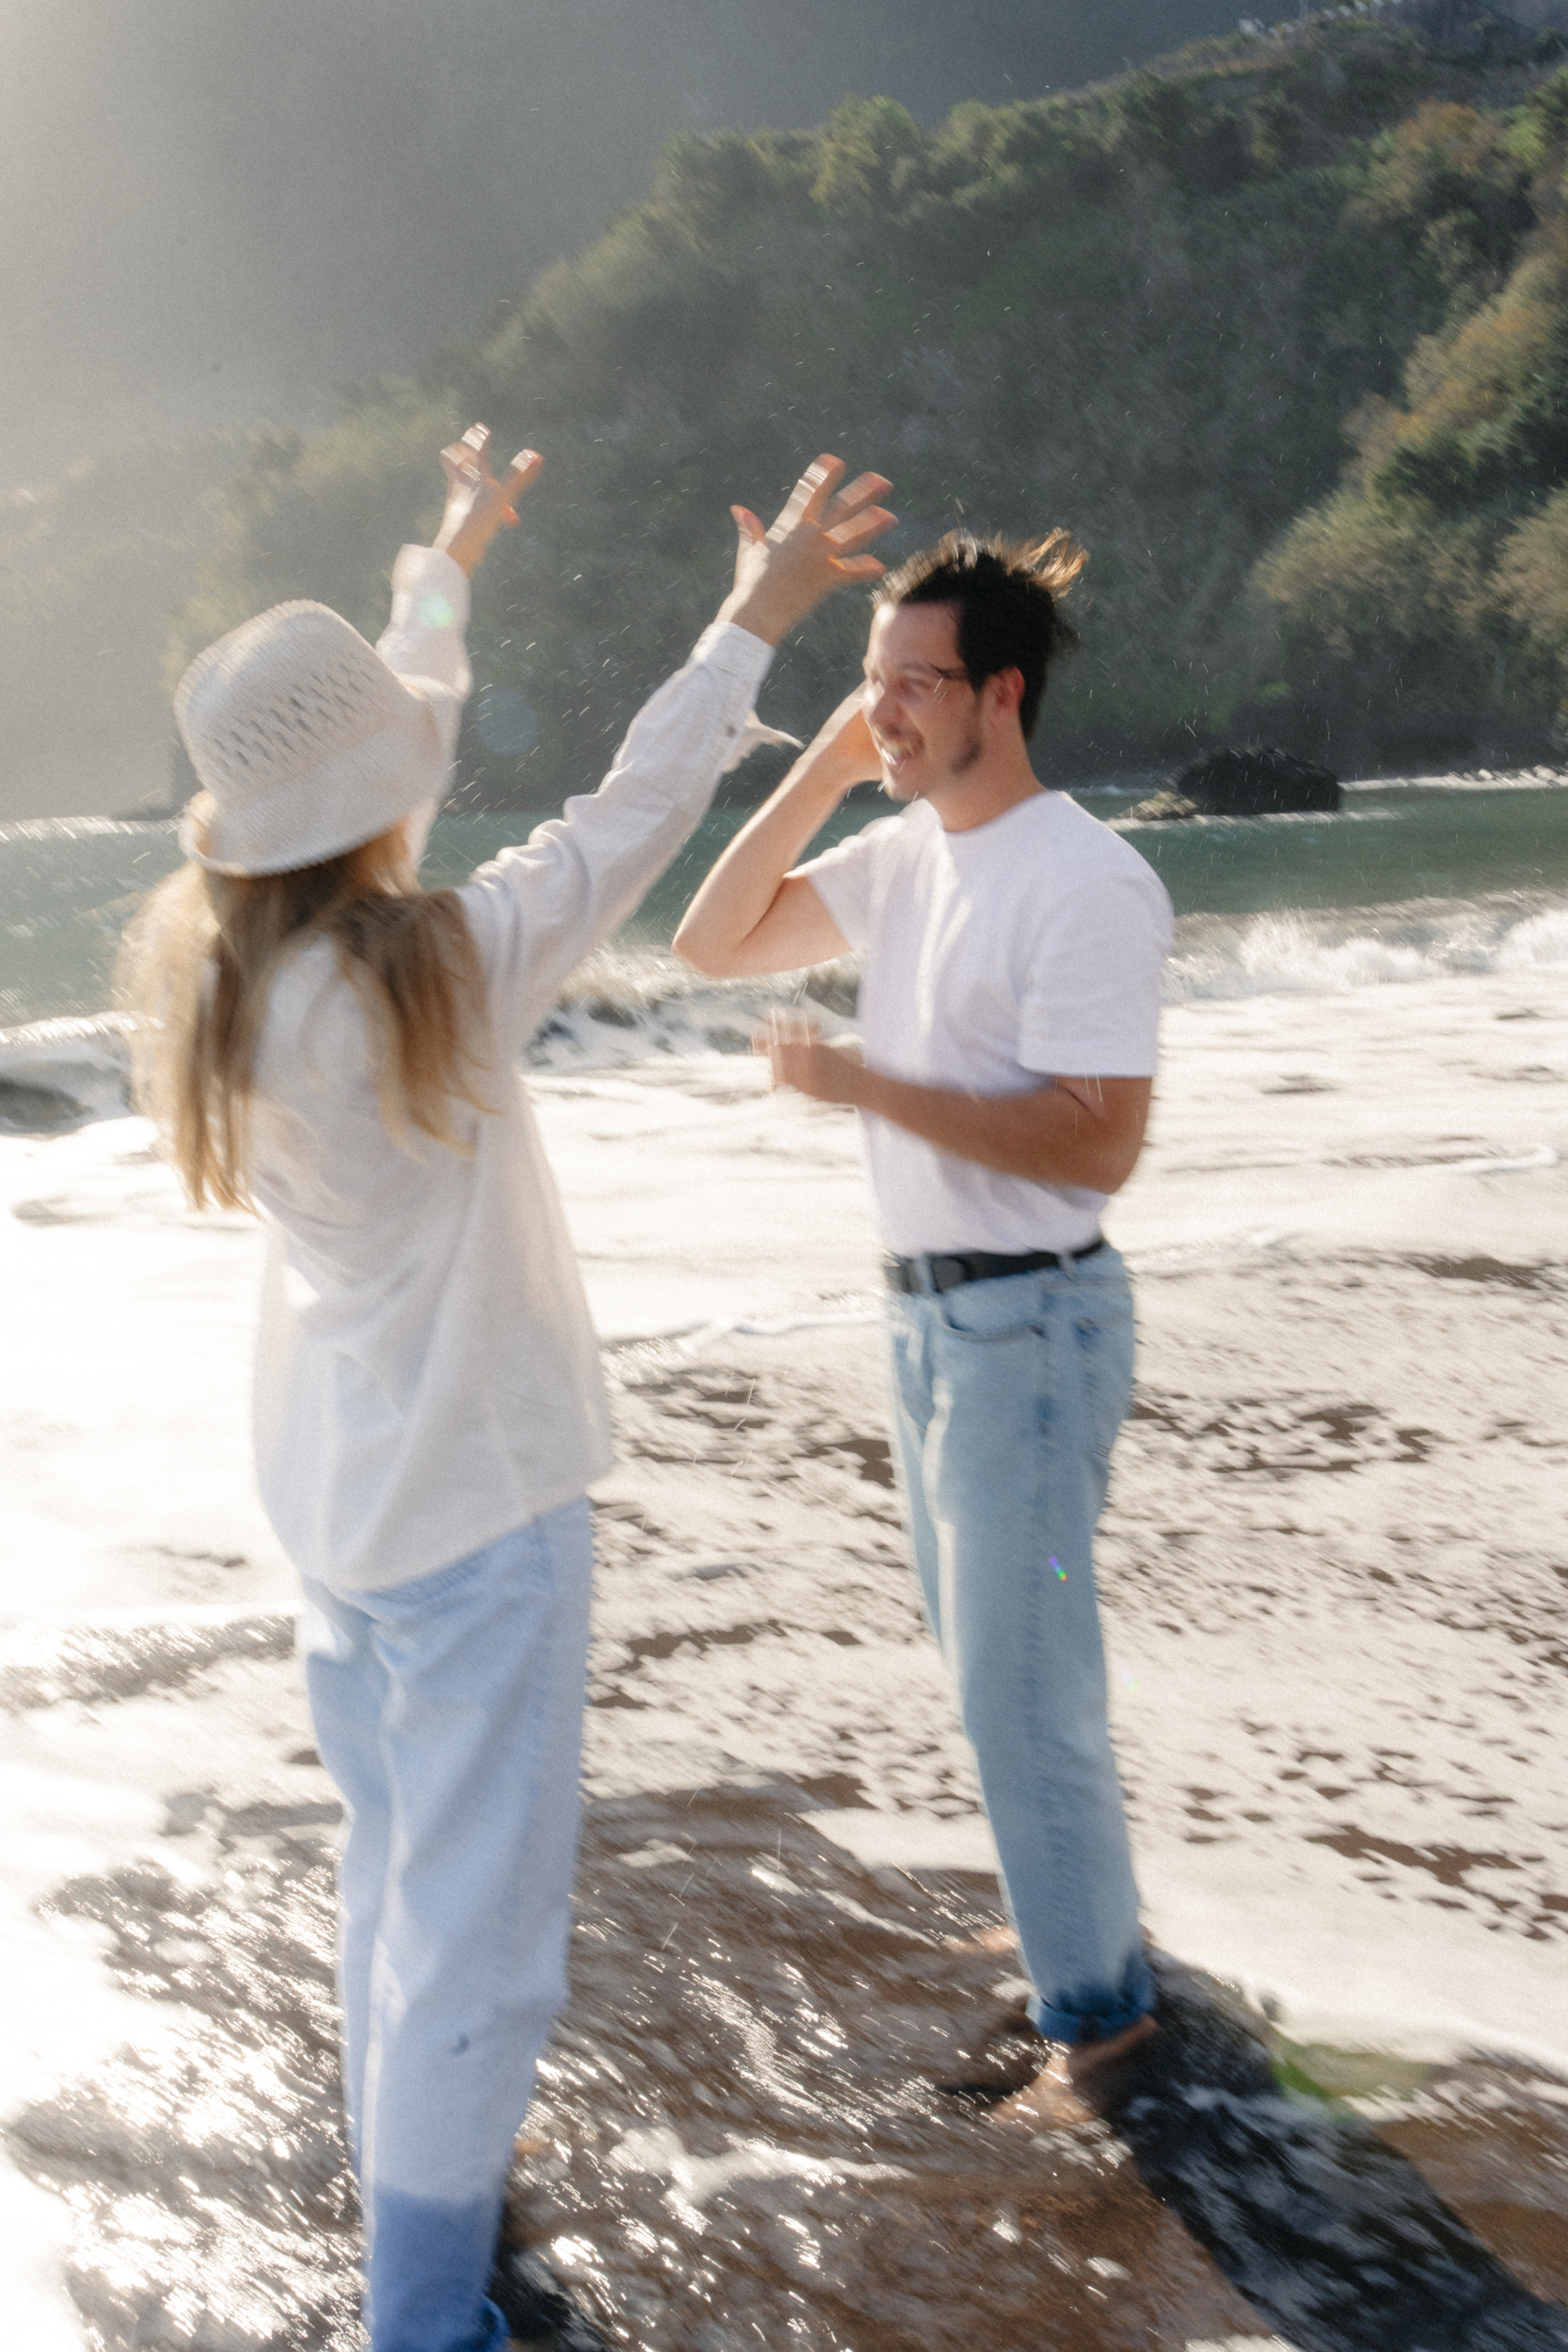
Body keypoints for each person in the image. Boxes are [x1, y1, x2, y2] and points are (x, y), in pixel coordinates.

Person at [120, 429, 894, 2352]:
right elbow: (627, 822)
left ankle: (425, 2208)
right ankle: (423, 2311)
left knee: (401, 1887)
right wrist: (756, 618)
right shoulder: (426, 976)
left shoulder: (230, 974)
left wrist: (449, 560)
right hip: (476, 1516)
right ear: (361, 811)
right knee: (481, 1948)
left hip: (342, 1503)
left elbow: (413, 729)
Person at [673, 529, 1174, 2121]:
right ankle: (1070, 1926)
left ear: (1002, 696)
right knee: (991, 1673)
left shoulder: (1089, 878)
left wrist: (858, 1084)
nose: (889, 709)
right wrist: (834, 750)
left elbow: (1097, 1142)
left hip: (1031, 1332)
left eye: (916, 687)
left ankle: (1101, 2029)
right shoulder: (906, 859)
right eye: (875, 682)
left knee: (1024, 1694)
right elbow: (709, 940)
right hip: (933, 1330)